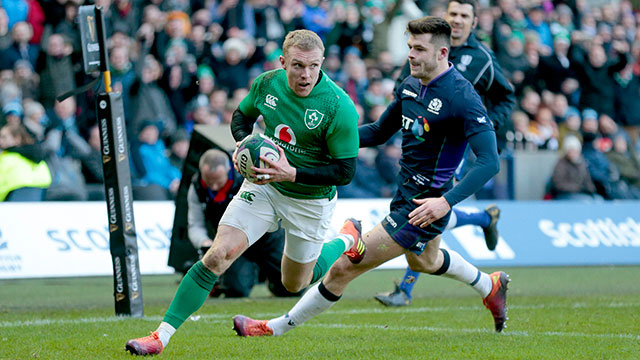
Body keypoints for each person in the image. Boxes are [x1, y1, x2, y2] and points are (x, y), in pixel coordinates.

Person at [232, 16, 508, 338]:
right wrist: (321, 139)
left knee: (342, 269)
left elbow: (489, 162)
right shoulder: (410, 85)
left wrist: (445, 203)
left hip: (423, 205)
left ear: (442, 53)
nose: (411, 55)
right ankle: (490, 284)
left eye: (419, 49)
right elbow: (377, 132)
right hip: (405, 192)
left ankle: (272, 328)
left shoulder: (462, 96)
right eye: (409, 47)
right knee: (425, 262)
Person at [124, 29, 365, 355]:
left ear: (322, 63)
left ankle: (347, 238)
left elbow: (345, 172)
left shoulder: (338, 107)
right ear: (283, 62)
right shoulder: (267, 83)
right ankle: (160, 337)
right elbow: (241, 117)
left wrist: (291, 172)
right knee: (218, 255)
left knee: (293, 283)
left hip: (310, 198)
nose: (306, 74)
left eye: (313, 66)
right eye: (297, 66)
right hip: (264, 185)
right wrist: (242, 144)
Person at [376, 0, 514, 307]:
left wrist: (486, 125)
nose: (458, 20)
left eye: (465, 15)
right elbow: (405, 82)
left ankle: (406, 289)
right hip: (423, 138)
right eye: (453, 14)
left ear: (474, 22)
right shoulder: (424, 47)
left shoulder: (483, 60)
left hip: (455, 146)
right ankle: (482, 217)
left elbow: (506, 97)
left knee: (431, 205)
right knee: (431, 210)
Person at [186, 149, 301, 298]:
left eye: (218, 181)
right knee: (235, 291)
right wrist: (205, 242)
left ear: (228, 169)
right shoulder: (196, 187)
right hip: (234, 242)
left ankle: (271, 280)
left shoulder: (248, 174)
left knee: (291, 289)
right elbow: (195, 224)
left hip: (268, 237)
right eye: (209, 182)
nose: (213, 187)